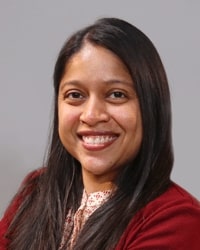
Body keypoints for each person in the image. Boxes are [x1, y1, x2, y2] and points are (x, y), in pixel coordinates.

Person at [0, 17, 200, 250]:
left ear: (151, 107)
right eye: (75, 95)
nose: (92, 115)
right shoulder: (37, 192)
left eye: (116, 94)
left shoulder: (177, 220)